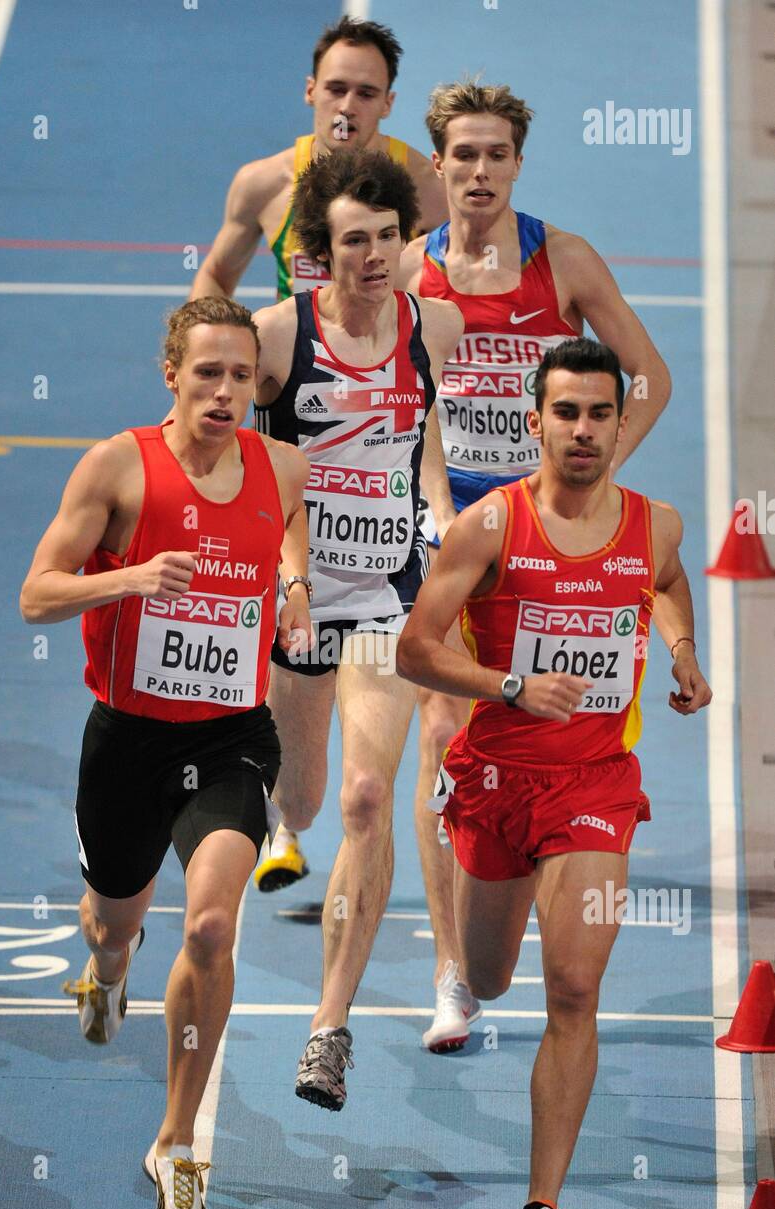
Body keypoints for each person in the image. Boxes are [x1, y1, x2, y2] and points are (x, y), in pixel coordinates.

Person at [396, 337, 711, 1209]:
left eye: (599, 414)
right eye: (565, 413)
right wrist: (506, 686)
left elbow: (660, 583)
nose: (582, 431)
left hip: (593, 787)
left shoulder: (655, 526)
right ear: (534, 421)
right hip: (494, 781)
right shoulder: (488, 528)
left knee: (574, 986)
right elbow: (414, 650)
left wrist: (683, 650)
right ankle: (463, 971)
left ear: (621, 424)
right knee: (491, 980)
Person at [19, 297, 312, 1209]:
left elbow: (285, 532)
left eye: (241, 376)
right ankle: (107, 968)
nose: (225, 392)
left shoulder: (284, 468)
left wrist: (296, 589)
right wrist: (129, 578)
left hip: (229, 736)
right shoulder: (118, 466)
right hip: (129, 740)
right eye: (208, 373)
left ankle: (178, 1144)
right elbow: (36, 595)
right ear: (172, 375)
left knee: (217, 922)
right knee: (116, 920)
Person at [397, 82, 673, 1053]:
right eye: (462, 156)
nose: (478, 172)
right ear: (437, 164)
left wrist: (587, 491)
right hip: (458, 526)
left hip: (546, 532)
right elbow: (404, 401)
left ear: (518, 163)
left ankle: (524, 890)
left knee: (544, 720)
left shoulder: (562, 259)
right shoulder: (408, 270)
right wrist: (433, 508)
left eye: (495, 156)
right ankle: (450, 972)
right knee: (441, 725)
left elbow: (649, 378)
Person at [252, 147, 463, 1109]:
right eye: (352, 241)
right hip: (300, 602)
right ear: (318, 250)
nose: (372, 256)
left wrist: (438, 509)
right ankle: (271, 824)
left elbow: (420, 441)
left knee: (369, 799)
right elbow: (234, 461)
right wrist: (277, 572)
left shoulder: (438, 329)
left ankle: (326, 1028)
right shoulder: (275, 338)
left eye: (386, 237)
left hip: (386, 601)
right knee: (300, 803)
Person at [192, 16, 447, 311]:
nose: (347, 107)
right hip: (295, 354)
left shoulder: (428, 188)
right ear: (311, 90)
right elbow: (216, 278)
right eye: (336, 89)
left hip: (388, 354)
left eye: (366, 94)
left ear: (387, 103)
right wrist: (200, 345)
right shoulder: (264, 184)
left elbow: (465, 289)